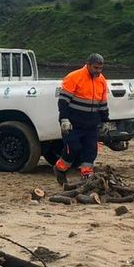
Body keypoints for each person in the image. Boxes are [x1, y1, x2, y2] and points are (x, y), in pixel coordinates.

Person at [55, 53, 109, 186]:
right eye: (96, 68)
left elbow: (102, 103)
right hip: (73, 123)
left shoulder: (101, 80)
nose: (98, 71)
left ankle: (87, 176)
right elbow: (63, 101)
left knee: (90, 150)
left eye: (100, 68)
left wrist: (105, 120)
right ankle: (60, 169)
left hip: (91, 124)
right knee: (73, 148)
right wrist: (64, 119)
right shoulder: (74, 77)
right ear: (88, 65)